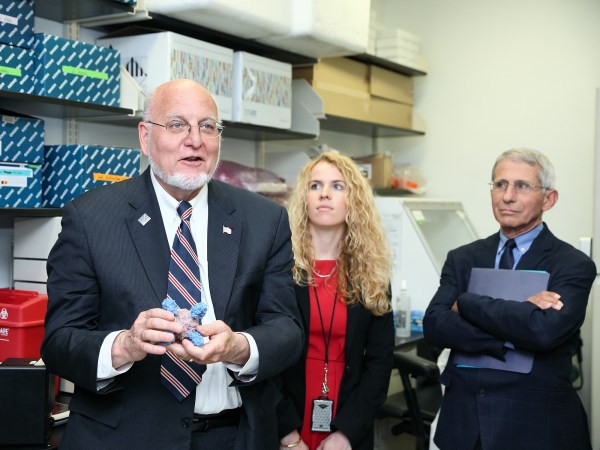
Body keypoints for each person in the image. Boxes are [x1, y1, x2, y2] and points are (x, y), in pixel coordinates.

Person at [41, 79, 303, 450]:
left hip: (234, 436)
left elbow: (288, 330)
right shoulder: (91, 219)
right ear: (145, 138)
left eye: (208, 126)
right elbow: (58, 342)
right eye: (178, 124)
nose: (195, 139)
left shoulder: (264, 220)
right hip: (125, 437)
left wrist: (239, 347)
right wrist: (125, 345)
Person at [423, 147, 595, 450]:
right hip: (466, 427)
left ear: (549, 199)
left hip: (536, 428)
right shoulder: (463, 258)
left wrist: (466, 303)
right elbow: (435, 325)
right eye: (500, 184)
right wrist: (513, 329)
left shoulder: (573, 265)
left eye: (522, 186)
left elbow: (542, 332)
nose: (508, 196)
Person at [277, 150, 395, 450]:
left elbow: (380, 363)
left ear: (353, 200)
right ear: (304, 197)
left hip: (348, 421)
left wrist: (345, 434)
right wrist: (288, 436)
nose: (324, 194)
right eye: (315, 186)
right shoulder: (278, 269)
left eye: (337, 186)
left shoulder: (373, 275)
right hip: (287, 421)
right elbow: (264, 362)